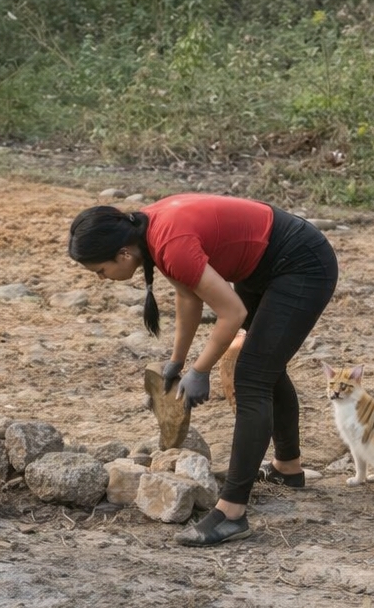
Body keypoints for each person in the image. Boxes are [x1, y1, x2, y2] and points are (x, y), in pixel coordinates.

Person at [67, 193, 339, 546]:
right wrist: (177, 362)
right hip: (262, 263)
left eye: (101, 271)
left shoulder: (170, 242)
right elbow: (188, 296)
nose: (103, 279)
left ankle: (231, 514)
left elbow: (232, 313)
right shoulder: (146, 232)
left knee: (251, 377)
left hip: (301, 263)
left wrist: (201, 370)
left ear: (123, 254)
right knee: (265, 365)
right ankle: (287, 469)